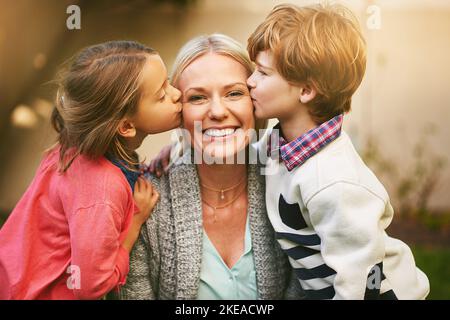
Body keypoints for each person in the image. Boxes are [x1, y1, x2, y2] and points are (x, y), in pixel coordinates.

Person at [245, 3, 429, 299]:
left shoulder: (334, 180)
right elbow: (243, 158)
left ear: (306, 90)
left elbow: (362, 275)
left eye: (263, 73)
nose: (250, 81)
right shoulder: (281, 145)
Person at [120, 34, 303, 300]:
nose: (217, 111)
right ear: (177, 112)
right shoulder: (144, 201)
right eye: (197, 98)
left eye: (234, 93)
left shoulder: (290, 181)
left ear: (255, 101)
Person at [0, 40, 182, 299]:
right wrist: (135, 222)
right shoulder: (103, 189)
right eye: (162, 95)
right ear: (127, 127)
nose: (176, 94)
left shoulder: (72, 145)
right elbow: (90, 285)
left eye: (169, 82)